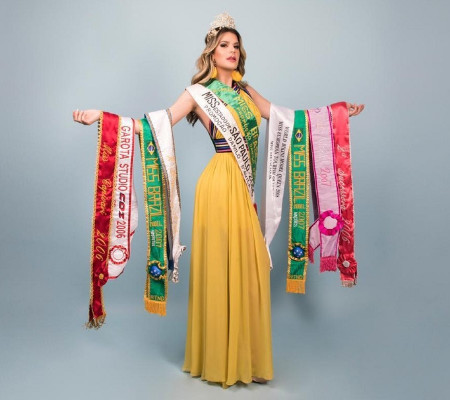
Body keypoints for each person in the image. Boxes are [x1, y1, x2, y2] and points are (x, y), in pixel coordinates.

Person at [73, 13, 364, 389]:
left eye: (236, 45)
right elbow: (155, 124)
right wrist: (104, 118)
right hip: (218, 182)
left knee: (250, 266)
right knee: (221, 266)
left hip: (242, 187)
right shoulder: (198, 94)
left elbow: (287, 119)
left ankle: (247, 357)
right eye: (224, 45)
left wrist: (335, 115)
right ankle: (218, 361)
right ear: (211, 52)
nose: (231, 50)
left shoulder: (246, 91)